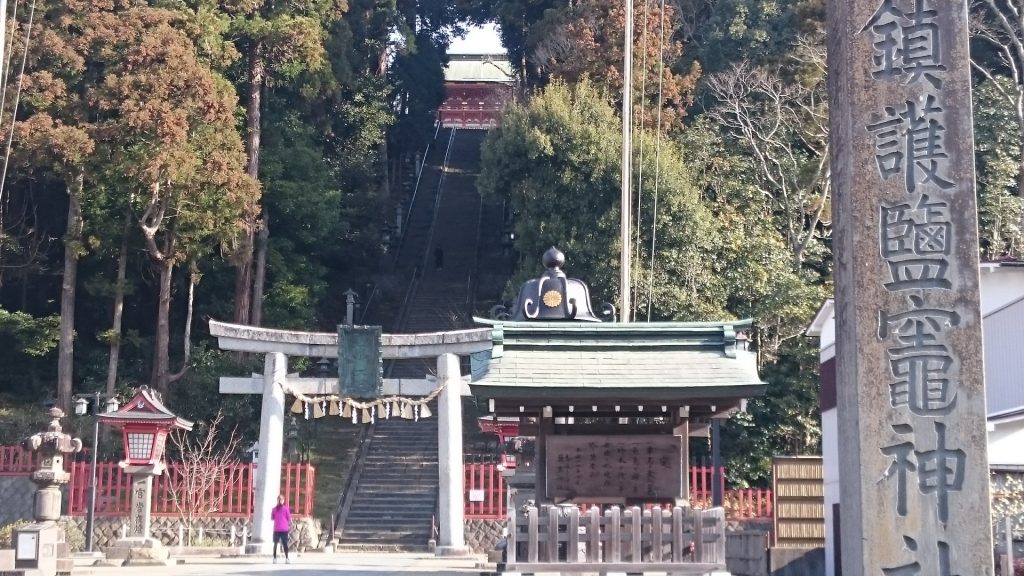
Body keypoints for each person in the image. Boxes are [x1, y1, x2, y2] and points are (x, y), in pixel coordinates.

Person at [271, 494, 291, 564]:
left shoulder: (277, 509)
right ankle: (283, 558)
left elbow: (272, 518)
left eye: (281, 500)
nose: (280, 501)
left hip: (280, 529)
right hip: (281, 529)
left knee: (279, 544)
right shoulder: (284, 509)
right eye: (279, 500)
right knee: (280, 544)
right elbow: (288, 518)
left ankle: (280, 558)